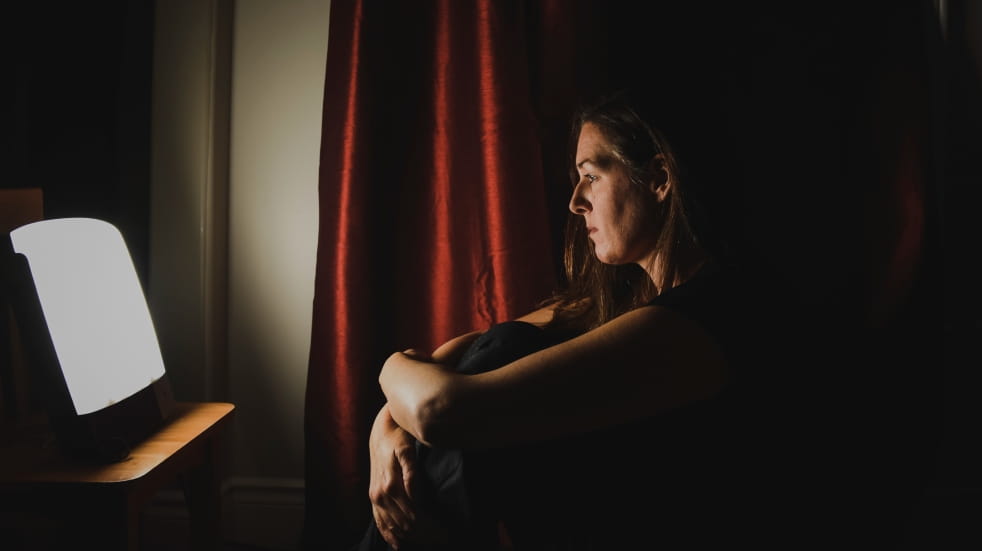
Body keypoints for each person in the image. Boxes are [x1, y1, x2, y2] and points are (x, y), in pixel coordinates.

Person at [359, 88, 772, 550]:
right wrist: (386, 429)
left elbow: (441, 410)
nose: (576, 201)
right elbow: (450, 359)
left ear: (658, 177)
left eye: (591, 175)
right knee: (499, 349)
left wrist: (388, 369)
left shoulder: (696, 323)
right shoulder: (610, 304)